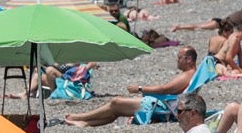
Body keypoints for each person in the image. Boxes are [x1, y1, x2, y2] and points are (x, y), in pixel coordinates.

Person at [62, 48, 199, 128]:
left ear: (189, 60)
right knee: (116, 110)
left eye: (180, 57)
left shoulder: (188, 74)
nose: (177, 60)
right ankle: (84, 123)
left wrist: (140, 88)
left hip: (161, 106)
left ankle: (78, 117)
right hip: (165, 104)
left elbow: (165, 89)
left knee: (116, 103)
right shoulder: (192, 74)